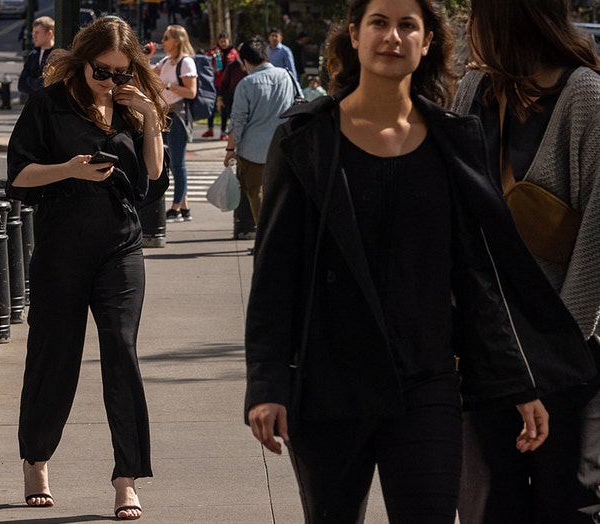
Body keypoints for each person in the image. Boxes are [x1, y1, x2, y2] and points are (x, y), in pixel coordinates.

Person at [244, 0, 596, 522]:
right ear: (355, 36)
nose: (392, 37)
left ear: (427, 40)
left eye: (407, 25)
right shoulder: (304, 139)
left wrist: (522, 379)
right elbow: (275, 272)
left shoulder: (454, 140)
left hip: (427, 383)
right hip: (329, 384)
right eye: (379, 23)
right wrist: (267, 383)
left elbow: (476, 275)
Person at [5, 16, 165, 520]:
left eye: (121, 73)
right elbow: (19, 174)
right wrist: (70, 169)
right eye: (103, 71)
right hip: (61, 247)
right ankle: (36, 460)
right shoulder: (47, 105)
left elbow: (154, 177)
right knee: (55, 355)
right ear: (83, 59)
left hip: (120, 245)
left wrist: (151, 117)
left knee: (121, 348)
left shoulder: (128, 107)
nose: (112, 82)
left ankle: (126, 477)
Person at [452, 0, 600, 521]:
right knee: (489, 503)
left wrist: (556, 347)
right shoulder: (475, 89)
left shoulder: (584, 94)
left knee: (567, 502)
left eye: (477, 14)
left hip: (565, 351)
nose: (469, 27)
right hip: (486, 345)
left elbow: (596, 239)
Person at [223, 36, 295, 224]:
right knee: (281, 194)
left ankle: (265, 238)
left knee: (257, 195)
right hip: (282, 147)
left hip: (252, 151)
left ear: (245, 61)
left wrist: (230, 150)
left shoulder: (246, 84)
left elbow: (237, 121)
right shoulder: (286, 76)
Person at [153, 24, 197, 222]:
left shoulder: (186, 63)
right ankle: (185, 208)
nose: (162, 41)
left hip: (177, 116)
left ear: (176, 41)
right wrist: (146, 56)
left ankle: (176, 207)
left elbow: (191, 92)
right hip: (164, 114)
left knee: (178, 164)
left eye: (166, 38)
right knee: (170, 162)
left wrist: (168, 85)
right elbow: (149, 76)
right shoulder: (165, 60)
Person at [202, 32, 239, 140]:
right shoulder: (213, 51)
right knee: (211, 106)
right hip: (214, 83)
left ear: (228, 41)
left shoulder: (233, 52)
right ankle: (210, 128)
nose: (223, 43)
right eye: (221, 41)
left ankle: (223, 131)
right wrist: (213, 58)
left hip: (227, 85)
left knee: (224, 108)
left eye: (225, 41)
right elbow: (206, 64)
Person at [18, 16, 56, 95]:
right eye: (33, 32)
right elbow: (21, 85)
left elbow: (51, 86)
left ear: (49, 33)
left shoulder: (56, 55)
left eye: (37, 32)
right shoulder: (33, 55)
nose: (33, 36)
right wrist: (36, 84)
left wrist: (29, 80)